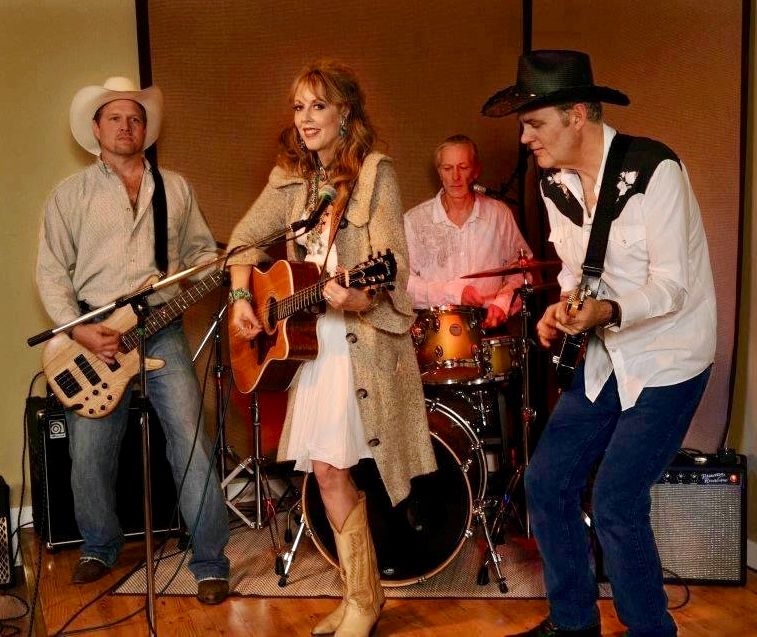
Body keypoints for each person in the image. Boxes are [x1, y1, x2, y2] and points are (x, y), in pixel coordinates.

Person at [482, 50, 716, 637]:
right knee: (546, 481)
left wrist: (605, 312)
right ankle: (573, 624)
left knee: (615, 499)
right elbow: (574, 269)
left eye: (534, 123)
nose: (525, 137)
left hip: (670, 358)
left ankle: (651, 630)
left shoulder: (655, 170)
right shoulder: (552, 182)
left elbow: (673, 286)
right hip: (609, 355)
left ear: (578, 114)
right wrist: (563, 308)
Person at [226, 60, 436, 637]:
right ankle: (361, 595)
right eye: (299, 107)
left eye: (318, 105)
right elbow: (241, 242)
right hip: (313, 344)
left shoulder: (375, 174)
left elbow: (393, 265)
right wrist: (243, 295)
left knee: (331, 468)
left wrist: (359, 295)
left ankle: (364, 601)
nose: (305, 118)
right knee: (324, 474)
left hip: (358, 344)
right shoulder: (291, 181)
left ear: (346, 112)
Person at [35, 77, 230, 604]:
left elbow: (199, 256)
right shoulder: (69, 194)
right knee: (89, 450)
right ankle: (99, 546)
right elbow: (51, 273)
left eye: (135, 119)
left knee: (190, 437)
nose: (126, 126)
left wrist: (219, 268)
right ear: (96, 129)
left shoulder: (175, 188)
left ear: (145, 129)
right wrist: (78, 330)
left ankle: (210, 560)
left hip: (160, 330)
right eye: (115, 118)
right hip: (93, 334)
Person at [404, 134, 532, 329]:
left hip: (490, 328)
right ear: (439, 172)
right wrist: (454, 293)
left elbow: (522, 269)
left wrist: (503, 303)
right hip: (436, 331)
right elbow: (403, 284)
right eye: (447, 168)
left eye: (463, 167)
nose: (455, 177)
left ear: (476, 171)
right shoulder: (415, 220)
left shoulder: (499, 214)